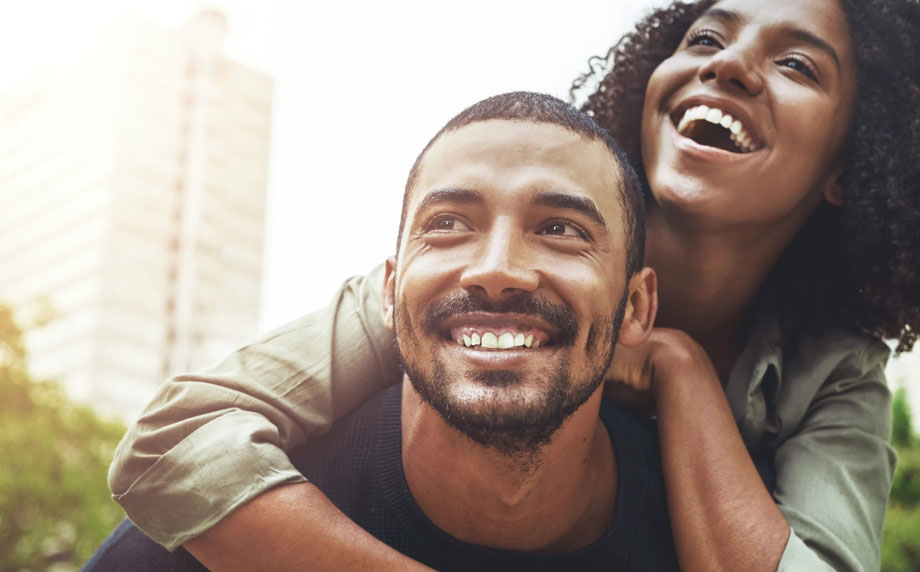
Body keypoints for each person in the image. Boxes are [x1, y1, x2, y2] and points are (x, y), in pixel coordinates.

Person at [107, 0, 920, 572]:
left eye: (797, 65)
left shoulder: (833, 374)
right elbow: (177, 439)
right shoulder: (488, 272)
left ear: (854, 166)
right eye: (704, 38)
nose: (727, 67)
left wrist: (677, 370)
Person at [84, 93, 678, 571]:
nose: (497, 269)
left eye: (560, 229)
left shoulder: (685, 522)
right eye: (448, 223)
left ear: (635, 307)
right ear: (388, 293)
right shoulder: (220, 534)